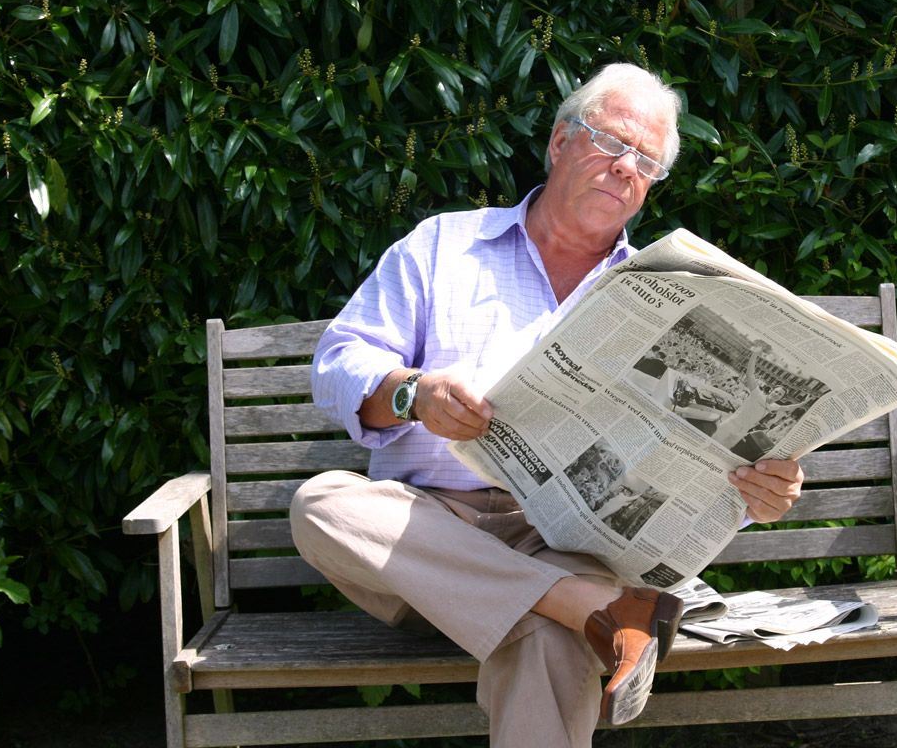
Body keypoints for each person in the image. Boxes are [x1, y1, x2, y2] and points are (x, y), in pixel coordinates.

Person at [290, 63, 804, 747]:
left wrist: (754, 493)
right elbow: (337, 364)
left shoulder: (663, 296)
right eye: (611, 141)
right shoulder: (443, 245)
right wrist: (415, 394)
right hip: (422, 540)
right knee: (323, 505)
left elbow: (691, 462)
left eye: (646, 161)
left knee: (548, 634)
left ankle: (582, 607)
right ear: (561, 141)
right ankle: (597, 608)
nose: (625, 167)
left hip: (565, 540)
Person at [711, 344, 804, 451]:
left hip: (741, 433)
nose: (776, 394)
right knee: (712, 444)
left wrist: (803, 403)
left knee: (723, 451)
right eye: (776, 391)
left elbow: (788, 407)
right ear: (771, 390)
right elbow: (750, 374)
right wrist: (755, 354)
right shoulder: (757, 393)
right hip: (731, 425)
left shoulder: (773, 406)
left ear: (781, 398)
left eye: (780, 394)